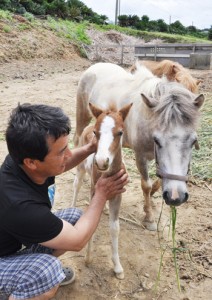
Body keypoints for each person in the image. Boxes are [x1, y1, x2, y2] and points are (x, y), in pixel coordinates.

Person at [0, 103, 128, 300]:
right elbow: (77, 242)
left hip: (15, 241)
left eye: (67, 147)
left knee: (76, 218)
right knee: (48, 272)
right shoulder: (20, 206)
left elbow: (65, 162)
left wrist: (91, 147)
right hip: (3, 257)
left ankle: (28, 276)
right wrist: (101, 194)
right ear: (31, 162)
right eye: (61, 151)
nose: (68, 154)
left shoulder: (22, 160)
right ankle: (27, 284)